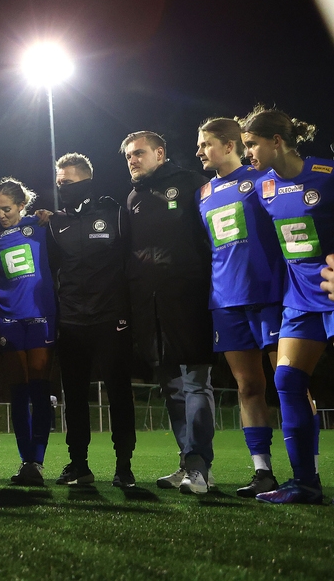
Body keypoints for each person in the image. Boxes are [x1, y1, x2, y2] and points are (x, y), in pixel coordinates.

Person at [240, 105, 333, 504]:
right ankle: (306, 483)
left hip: (332, 292)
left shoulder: (327, 175)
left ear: (276, 141)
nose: (249, 154)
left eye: (252, 144)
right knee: (287, 382)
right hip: (299, 298)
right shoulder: (263, 189)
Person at [122, 130, 216, 494]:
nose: (132, 159)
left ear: (160, 153)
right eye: (128, 155)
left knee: (195, 381)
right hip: (151, 305)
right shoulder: (133, 197)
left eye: (139, 153)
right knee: (171, 386)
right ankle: (187, 462)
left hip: (190, 297)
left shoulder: (192, 183)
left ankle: (199, 467)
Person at [195, 118, 284, 497]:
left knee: (289, 384)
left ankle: (306, 471)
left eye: (205, 144)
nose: (199, 151)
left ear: (230, 145)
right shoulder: (203, 193)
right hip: (226, 301)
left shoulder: (262, 179)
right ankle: (262, 471)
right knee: (248, 386)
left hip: (270, 295)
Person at [47, 153, 137, 488]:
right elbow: (52, 271)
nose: (61, 188)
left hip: (112, 320)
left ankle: (124, 466)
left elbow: (131, 263)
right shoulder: (56, 223)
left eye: (67, 182)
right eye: (59, 183)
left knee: (118, 393)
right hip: (71, 323)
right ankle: (78, 465)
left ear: (86, 180)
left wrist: (128, 312)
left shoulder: (115, 214)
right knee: (74, 397)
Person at [0, 177, 55, 486]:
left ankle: (38, 461)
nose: (2, 215)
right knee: (19, 391)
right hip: (9, 320)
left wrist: (47, 216)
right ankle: (25, 459)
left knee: (39, 388)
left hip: (40, 316)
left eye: (7, 209)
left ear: (21, 205)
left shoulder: (39, 226)